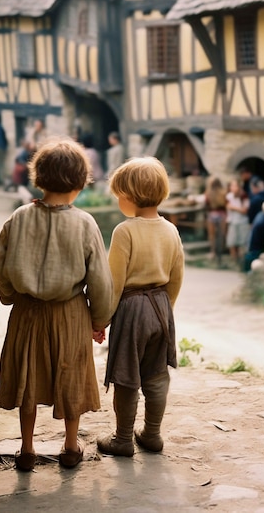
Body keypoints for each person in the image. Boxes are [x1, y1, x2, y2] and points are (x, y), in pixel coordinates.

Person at [0, 138, 113, 471]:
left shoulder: (17, 218)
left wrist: (10, 297)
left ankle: (27, 449)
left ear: (38, 177)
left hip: (27, 312)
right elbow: (101, 280)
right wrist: (99, 319)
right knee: (70, 376)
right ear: (79, 181)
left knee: (28, 378)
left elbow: (2, 270)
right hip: (70, 313)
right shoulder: (85, 224)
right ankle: (71, 446)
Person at [97, 157, 185, 457]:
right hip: (161, 307)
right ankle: (152, 434)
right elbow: (176, 277)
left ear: (130, 197)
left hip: (132, 309)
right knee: (157, 375)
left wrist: (102, 320)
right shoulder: (171, 231)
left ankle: (122, 439)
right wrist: (165, 312)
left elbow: (114, 282)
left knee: (126, 377)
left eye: (119, 195)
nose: (118, 201)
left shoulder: (125, 231)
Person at [226, 178, 250, 265]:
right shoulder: (229, 196)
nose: (233, 188)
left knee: (242, 242)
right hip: (232, 221)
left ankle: (241, 261)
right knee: (231, 242)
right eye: (232, 186)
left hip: (242, 222)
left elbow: (244, 210)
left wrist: (234, 208)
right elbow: (228, 206)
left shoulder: (244, 196)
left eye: (235, 186)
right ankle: (234, 261)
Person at [204, 176, 227, 259]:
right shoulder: (223, 193)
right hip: (222, 214)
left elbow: (206, 203)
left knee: (212, 235)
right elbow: (226, 204)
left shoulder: (208, 193)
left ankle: (213, 251)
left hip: (211, 214)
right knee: (221, 234)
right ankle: (221, 250)